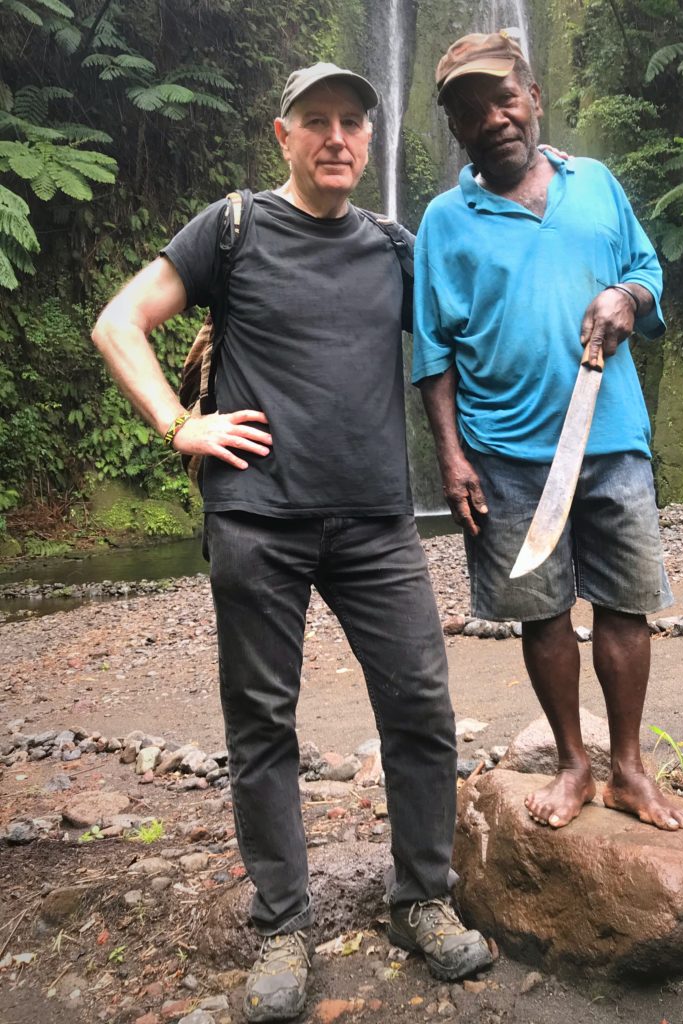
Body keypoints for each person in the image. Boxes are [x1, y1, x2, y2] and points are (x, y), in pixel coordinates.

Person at [92, 62, 491, 1023]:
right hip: (255, 518)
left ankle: (421, 900)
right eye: (317, 121)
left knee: (422, 706)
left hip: (375, 523)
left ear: (370, 138)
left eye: (353, 121)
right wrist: (178, 426)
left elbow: (461, 337)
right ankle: (281, 924)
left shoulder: (394, 247)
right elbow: (118, 321)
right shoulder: (231, 227)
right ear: (283, 134)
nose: (337, 138)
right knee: (261, 725)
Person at [413, 32, 683, 837]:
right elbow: (431, 349)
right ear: (457, 129)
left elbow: (646, 267)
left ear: (533, 98)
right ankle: (574, 761)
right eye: (471, 111)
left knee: (625, 605)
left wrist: (629, 302)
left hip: (611, 440)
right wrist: (450, 456)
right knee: (539, 613)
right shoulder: (442, 220)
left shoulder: (597, 184)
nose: (493, 118)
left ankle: (629, 767)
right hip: (502, 452)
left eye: (504, 99)